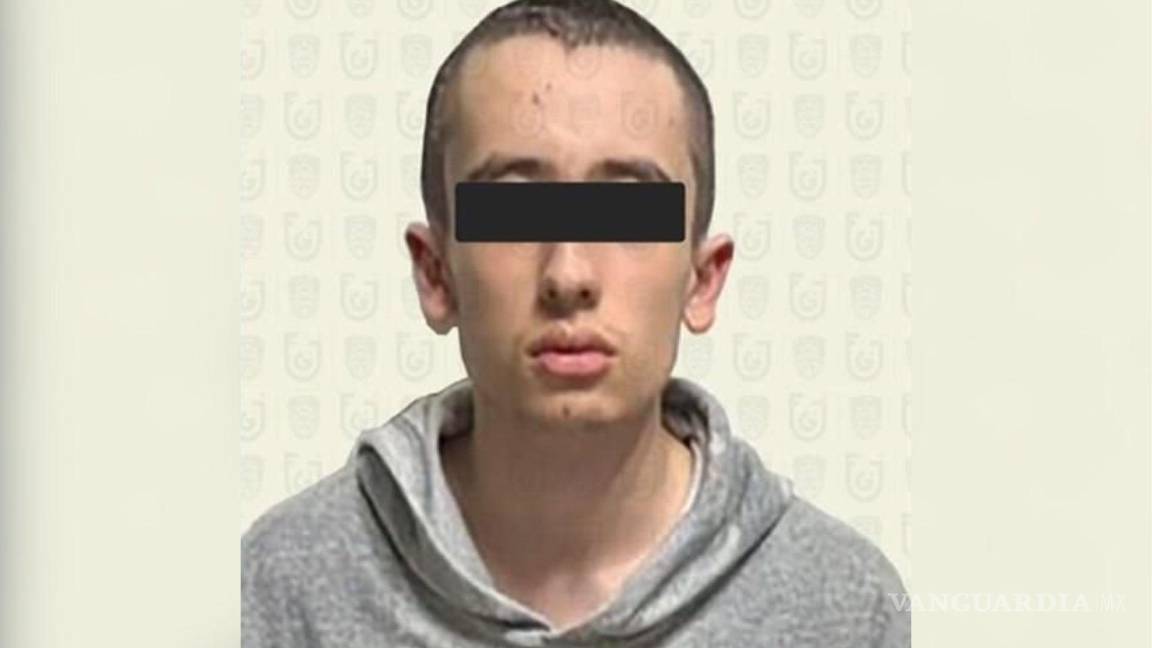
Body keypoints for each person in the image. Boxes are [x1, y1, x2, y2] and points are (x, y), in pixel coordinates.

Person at [241, 1, 910, 645]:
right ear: (435, 273)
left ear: (703, 280)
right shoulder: (277, 589)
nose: (568, 275)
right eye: (513, 210)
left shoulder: (845, 606)